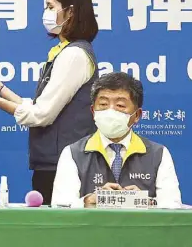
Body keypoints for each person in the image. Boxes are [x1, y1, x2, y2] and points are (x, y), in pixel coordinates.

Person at [0, 0, 99, 204]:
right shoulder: (63, 52)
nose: (45, 13)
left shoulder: (74, 55)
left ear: (70, 12)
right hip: (53, 162)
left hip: (64, 166)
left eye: (50, 6)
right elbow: (38, 107)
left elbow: (40, 115)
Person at [51, 72, 182, 209]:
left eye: (120, 105)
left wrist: (147, 202)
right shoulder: (73, 153)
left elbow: (173, 207)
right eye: (103, 104)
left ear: (137, 115)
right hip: (92, 230)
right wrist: (89, 201)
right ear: (93, 111)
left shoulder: (158, 154)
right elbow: (60, 207)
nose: (110, 111)